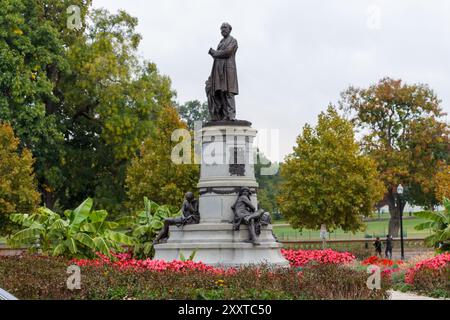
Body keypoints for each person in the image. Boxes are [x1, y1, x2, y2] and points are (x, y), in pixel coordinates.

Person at [206, 22, 239, 121]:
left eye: (225, 28)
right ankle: (225, 115)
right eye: (221, 28)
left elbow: (228, 52)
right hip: (219, 71)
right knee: (222, 93)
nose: (223, 30)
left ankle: (231, 115)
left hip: (228, 70)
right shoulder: (220, 42)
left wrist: (214, 53)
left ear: (229, 29)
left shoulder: (233, 41)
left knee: (229, 93)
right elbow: (220, 55)